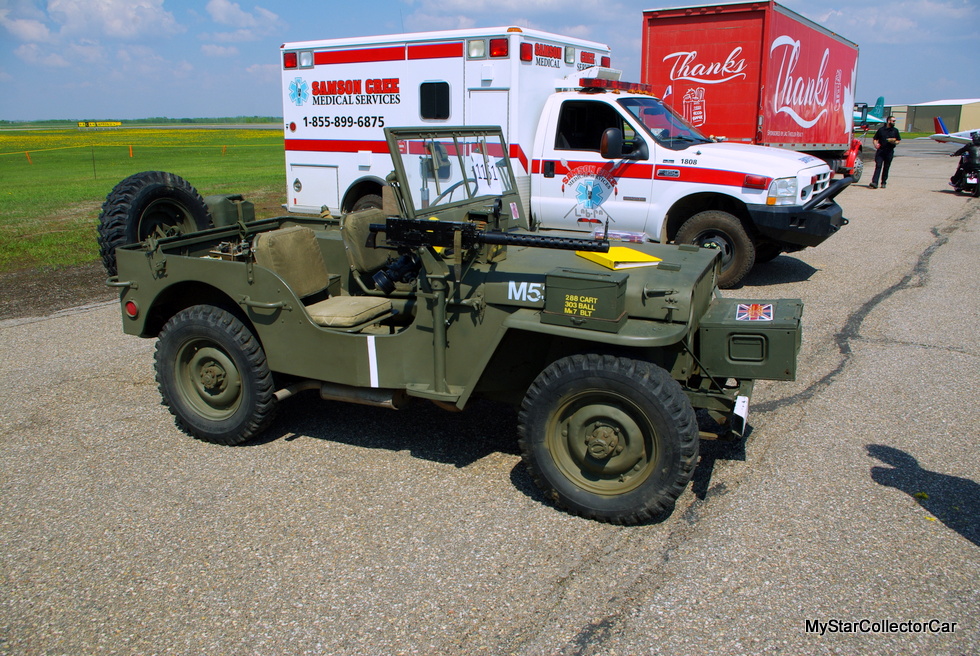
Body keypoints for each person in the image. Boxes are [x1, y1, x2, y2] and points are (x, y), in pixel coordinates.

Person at [868, 116, 901, 189]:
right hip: (881, 151)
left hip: (889, 151)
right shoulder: (881, 130)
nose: (894, 122)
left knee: (886, 167)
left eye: (894, 121)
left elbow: (898, 140)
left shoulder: (895, 131)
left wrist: (894, 141)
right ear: (888, 121)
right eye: (893, 121)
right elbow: (875, 138)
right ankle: (874, 182)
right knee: (878, 166)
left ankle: (883, 182)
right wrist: (875, 144)